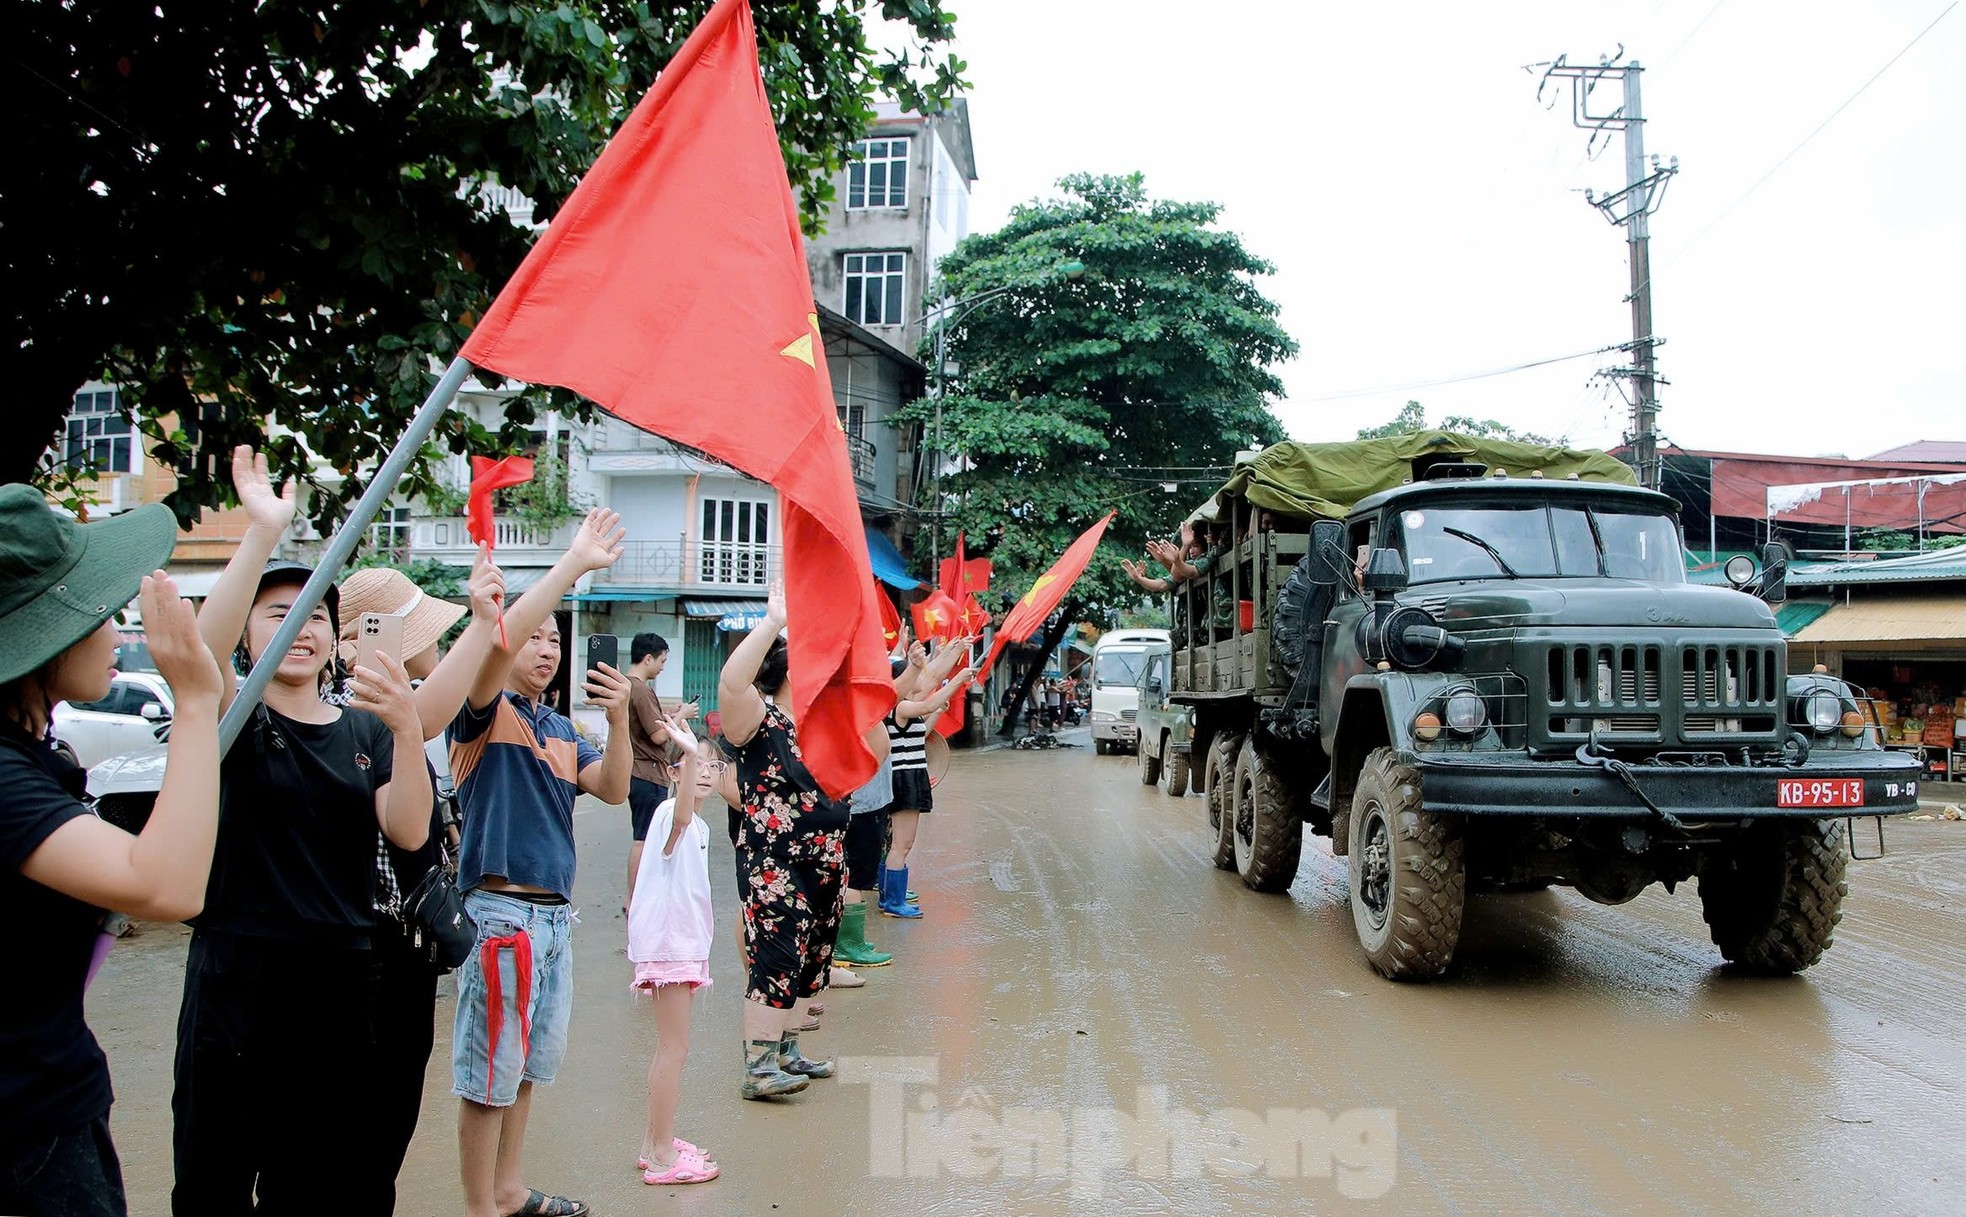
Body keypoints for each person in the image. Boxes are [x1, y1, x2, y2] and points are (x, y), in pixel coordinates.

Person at [173, 447, 434, 1216]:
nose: (301, 627)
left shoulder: (367, 727)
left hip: (340, 978)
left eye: (315, 613)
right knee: (215, 1178)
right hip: (237, 972)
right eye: (277, 613)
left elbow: (409, 830)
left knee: (323, 1183)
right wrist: (259, 532)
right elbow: (202, 650)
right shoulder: (231, 719)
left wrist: (410, 732)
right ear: (253, 633)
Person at [0, 485, 222, 1217]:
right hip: (28, 1135)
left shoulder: (30, 757)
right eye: (101, 612)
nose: (116, 629)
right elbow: (167, 886)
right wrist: (192, 699)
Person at [449, 507, 632, 1217]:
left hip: (554, 917)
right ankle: (479, 1206)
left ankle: (508, 1187)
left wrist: (618, 722)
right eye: (536, 636)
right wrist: (574, 564)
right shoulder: (483, 709)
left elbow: (614, 789)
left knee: (524, 1066)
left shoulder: (561, 729)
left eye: (556, 638)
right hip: (500, 911)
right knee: (484, 1074)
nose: (547, 648)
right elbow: (497, 647)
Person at [335, 549, 507, 1212]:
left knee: (386, 1128)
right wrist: (479, 627)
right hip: (364, 946)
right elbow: (425, 714)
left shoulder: (409, 700)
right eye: (419, 630)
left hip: (408, 949)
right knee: (360, 1139)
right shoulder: (362, 703)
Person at [718, 577, 847, 1100]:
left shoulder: (825, 725)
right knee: (775, 955)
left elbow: (879, 746)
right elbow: (731, 684)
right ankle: (759, 1066)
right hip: (775, 862)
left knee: (811, 958)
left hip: (826, 861)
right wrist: (773, 621)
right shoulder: (760, 718)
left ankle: (788, 1050)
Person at [626, 718, 720, 1186]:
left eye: (710, 764)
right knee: (673, 1049)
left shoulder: (699, 823)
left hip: (681, 945)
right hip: (669, 946)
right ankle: (663, 1155)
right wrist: (685, 753)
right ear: (673, 773)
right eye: (692, 763)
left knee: (670, 1048)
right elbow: (680, 819)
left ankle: (653, 1142)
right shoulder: (670, 814)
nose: (703, 771)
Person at [879, 639, 975, 919]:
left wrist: (937, 711)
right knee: (902, 844)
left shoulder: (904, 708)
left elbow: (919, 735)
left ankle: (890, 896)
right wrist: (958, 678)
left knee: (898, 843)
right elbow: (928, 703)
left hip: (909, 775)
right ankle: (893, 902)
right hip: (905, 778)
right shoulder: (899, 706)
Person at [624, 632, 699, 903]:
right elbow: (658, 736)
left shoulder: (628, 685)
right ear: (648, 658)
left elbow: (651, 721)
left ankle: (638, 894)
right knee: (644, 838)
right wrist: (682, 716)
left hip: (638, 770)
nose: (662, 667)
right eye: (662, 661)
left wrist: (670, 711)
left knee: (645, 835)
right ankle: (633, 898)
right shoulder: (641, 689)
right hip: (647, 771)